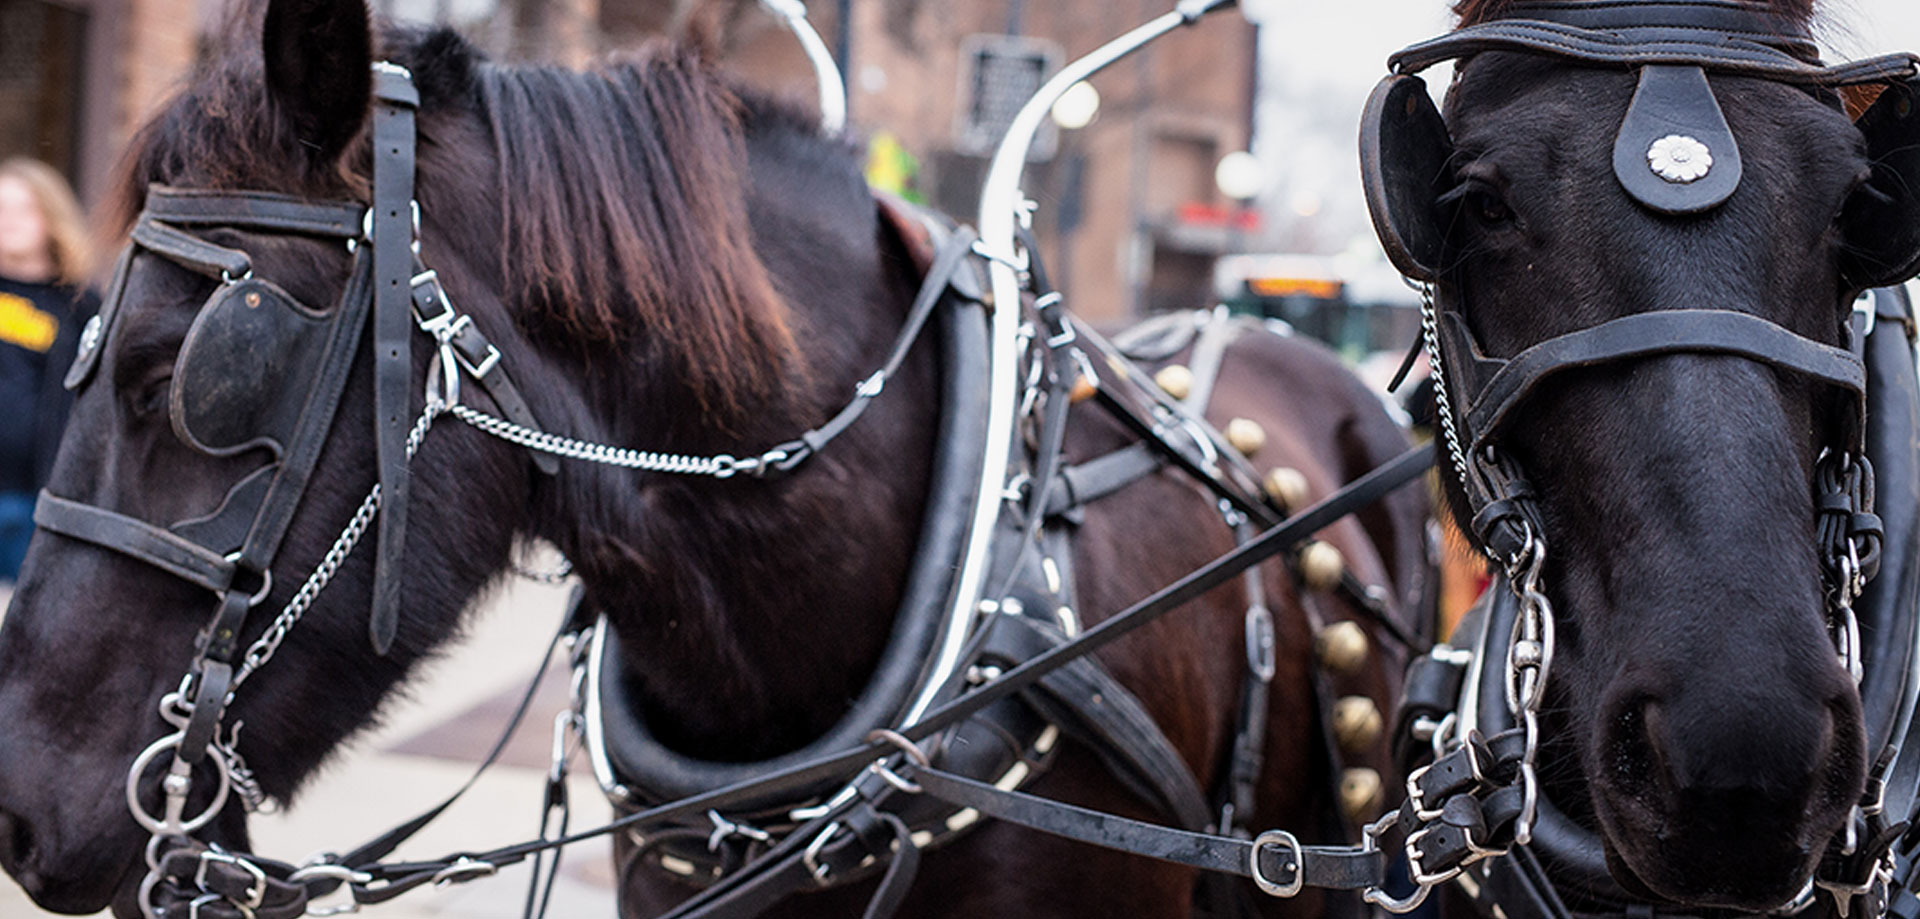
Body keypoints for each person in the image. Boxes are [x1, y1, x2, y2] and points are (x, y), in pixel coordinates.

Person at [0, 158, 97, 580]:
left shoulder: (81, 306)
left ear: (53, 218)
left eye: (24, 209)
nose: (9, 221)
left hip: (37, 499)